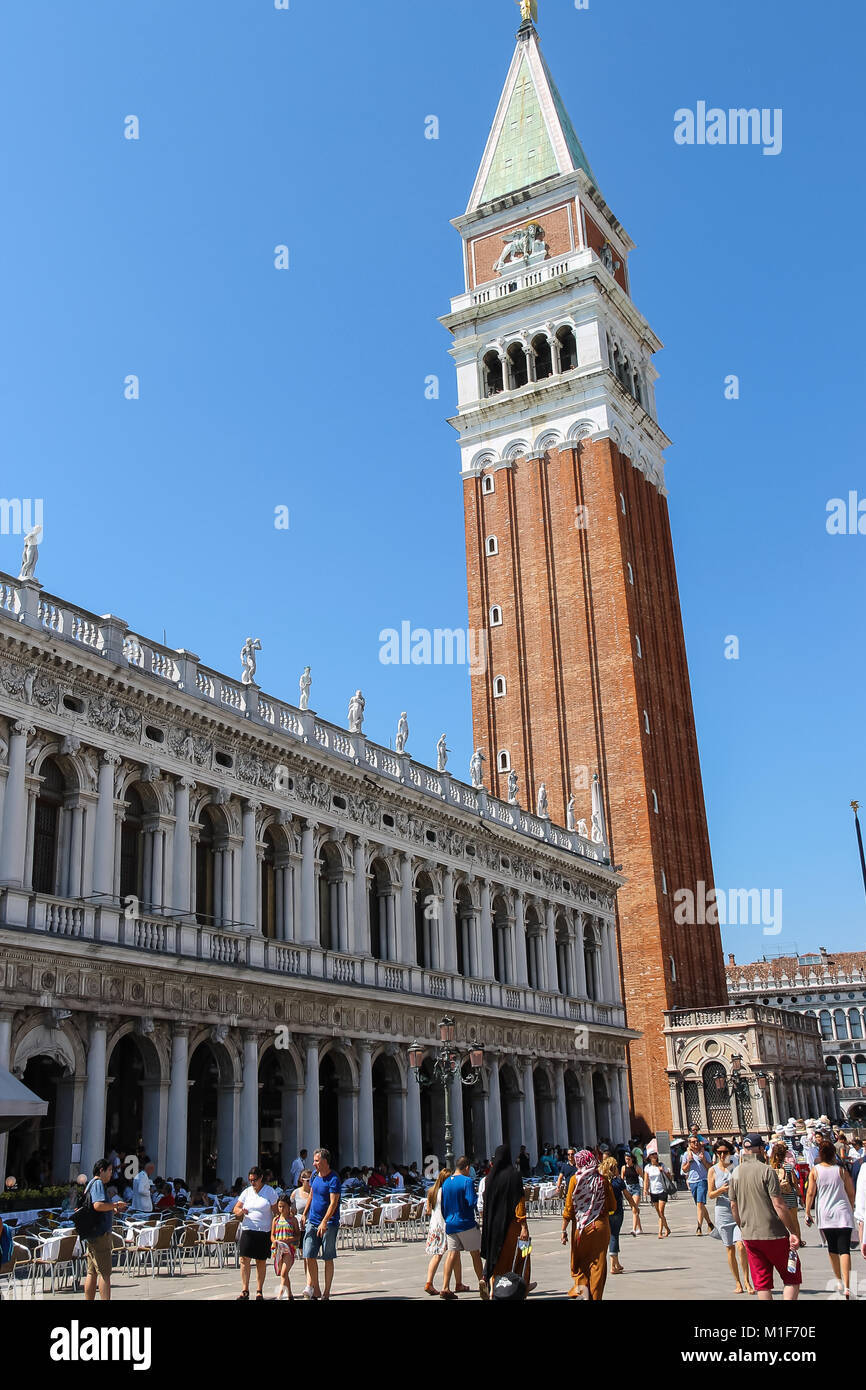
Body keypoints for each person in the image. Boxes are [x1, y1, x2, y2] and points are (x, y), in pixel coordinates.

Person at [729, 1134, 801, 1302]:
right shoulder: (766, 1170)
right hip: (774, 1233)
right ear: (761, 1149)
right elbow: (778, 1204)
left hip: (750, 1235)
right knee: (792, 1276)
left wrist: (742, 1226)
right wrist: (792, 1231)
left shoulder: (736, 1173)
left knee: (762, 1283)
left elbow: (733, 1206)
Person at [804, 1138, 856, 1298]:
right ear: (834, 1153)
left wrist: (807, 1212)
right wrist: (851, 1206)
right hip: (843, 1213)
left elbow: (811, 1193)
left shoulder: (815, 1170)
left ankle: (838, 1280)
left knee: (832, 1248)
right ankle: (848, 1286)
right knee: (845, 1250)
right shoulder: (841, 1170)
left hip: (826, 1214)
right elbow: (850, 1192)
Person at [561, 1149, 614, 1300]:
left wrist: (563, 1230)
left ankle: (583, 1293)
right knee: (598, 1266)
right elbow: (612, 1206)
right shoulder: (602, 1179)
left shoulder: (574, 1180)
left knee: (579, 1264)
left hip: (580, 1228)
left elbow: (569, 1208)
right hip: (600, 1225)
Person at [481, 1144, 534, 1294]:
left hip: (494, 1228)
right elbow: (520, 1202)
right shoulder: (514, 1175)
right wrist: (523, 1225)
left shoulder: (488, 1179)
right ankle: (522, 1286)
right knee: (523, 1254)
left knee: (497, 1260)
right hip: (513, 1226)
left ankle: (494, 1289)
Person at [707, 1141, 754, 1295]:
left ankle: (747, 1281)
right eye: (719, 1152)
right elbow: (710, 1194)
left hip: (738, 1210)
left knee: (741, 1246)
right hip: (723, 1212)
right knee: (729, 1248)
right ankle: (737, 1282)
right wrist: (721, 1189)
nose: (722, 1155)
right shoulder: (712, 1171)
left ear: (730, 1152)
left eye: (725, 1152)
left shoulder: (736, 1167)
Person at [440, 1155, 488, 1300]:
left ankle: (445, 1287)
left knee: (452, 1253)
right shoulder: (467, 1181)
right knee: (475, 1253)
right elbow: (471, 1202)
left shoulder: (446, 1182)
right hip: (466, 1222)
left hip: (450, 1223)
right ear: (467, 1168)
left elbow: (443, 1206)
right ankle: (483, 1284)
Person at [82, 1158, 128, 1301]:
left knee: (92, 1272)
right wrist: (115, 1205)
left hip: (92, 1232)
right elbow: (98, 1206)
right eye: (109, 1171)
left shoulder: (89, 1184)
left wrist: (111, 1210)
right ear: (101, 1170)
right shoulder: (98, 1184)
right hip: (100, 1233)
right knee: (104, 1272)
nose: (111, 1174)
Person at [233, 1166, 279, 1300]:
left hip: (264, 1230)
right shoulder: (247, 1192)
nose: (252, 1183)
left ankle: (259, 1290)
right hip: (248, 1229)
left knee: (260, 1261)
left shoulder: (269, 1192)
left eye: (254, 1180)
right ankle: (245, 1289)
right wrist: (240, 1212)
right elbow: (236, 1208)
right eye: (250, 1180)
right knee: (244, 1259)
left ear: (261, 1179)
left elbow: (276, 1211)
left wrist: (276, 1230)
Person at [301, 1147, 341, 1300]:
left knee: (327, 1257)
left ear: (324, 1161)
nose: (314, 1163)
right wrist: (305, 1213)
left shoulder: (333, 1179)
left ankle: (326, 1292)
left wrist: (325, 1221)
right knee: (308, 1253)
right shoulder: (315, 1176)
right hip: (313, 1220)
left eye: (316, 1161)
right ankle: (313, 1287)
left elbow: (333, 1203)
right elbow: (311, 1194)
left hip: (329, 1223)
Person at [423, 1166, 453, 1296]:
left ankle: (429, 1282)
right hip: (444, 1225)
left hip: (434, 1226)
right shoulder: (446, 1192)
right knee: (448, 1253)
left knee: (439, 1254)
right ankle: (441, 1284)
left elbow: (428, 1211)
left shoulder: (432, 1191)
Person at [768, 1141, 803, 1244]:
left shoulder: (770, 1168)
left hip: (777, 1197)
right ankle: (798, 1240)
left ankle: (782, 1240)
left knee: (779, 1220)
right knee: (794, 1220)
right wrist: (800, 1195)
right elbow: (794, 1183)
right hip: (790, 1195)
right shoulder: (788, 1167)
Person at [681, 1134, 714, 1235]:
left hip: (703, 1180)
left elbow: (710, 1167)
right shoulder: (686, 1155)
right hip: (692, 1181)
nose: (695, 1143)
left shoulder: (705, 1154)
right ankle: (710, 1223)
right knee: (700, 1205)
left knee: (700, 1203)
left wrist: (703, 1160)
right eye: (693, 1142)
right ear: (689, 1144)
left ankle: (699, 1227)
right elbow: (684, 1169)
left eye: (697, 1142)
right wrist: (690, 1162)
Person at [270, 1192, 300, 1301]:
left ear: (288, 1207)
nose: (281, 1209)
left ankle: (280, 1295)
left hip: (289, 1249)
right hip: (278, 1249)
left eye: (283, 1206)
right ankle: (290, 1294)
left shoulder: (293, 1220)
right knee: (284, 1273)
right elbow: (272, 1235)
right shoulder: (276, 1220)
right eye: (279, 1206)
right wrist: (274, 1241)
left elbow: (297, 1235)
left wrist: (290, 1239)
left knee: (283, 1272)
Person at [601, 1155, 626, 1275]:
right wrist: (634, 1207)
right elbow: (627, 1195)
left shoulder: (602, 1181)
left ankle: (617, 1263)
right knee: (614, 1236)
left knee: (612, 1236)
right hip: (617, 1211)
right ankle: (612, 1266)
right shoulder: (618, 1181)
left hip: (605, 1212)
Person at [643, 1152, 672, 1238]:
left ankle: (660, 1232)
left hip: (662, 1190)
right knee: (659, 1213)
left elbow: (669, 1176)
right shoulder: (647, 1167)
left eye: (655, 1154)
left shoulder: (662, 1165)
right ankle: (667, 1228)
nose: (654, 1156)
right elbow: (646, 1180)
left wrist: (663, 1171)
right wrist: (645, 1189)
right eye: (652, 1155)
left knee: (661, 1211)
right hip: (653, 1191)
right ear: (649, 1157)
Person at [621, 1152, 644, 1235]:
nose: (627, 1161)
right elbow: (621, 1180)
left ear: (632, 1159)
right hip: (628, 1189)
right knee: (634, 1210)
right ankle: (640, 1229)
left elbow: (643, 1177)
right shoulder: (623, 1168)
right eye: (626, 1159)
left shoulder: (636, 1167)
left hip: (636, 1188)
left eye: (629, 1159)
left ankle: (634, 1229)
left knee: (634, 1209)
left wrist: (645, 1188)